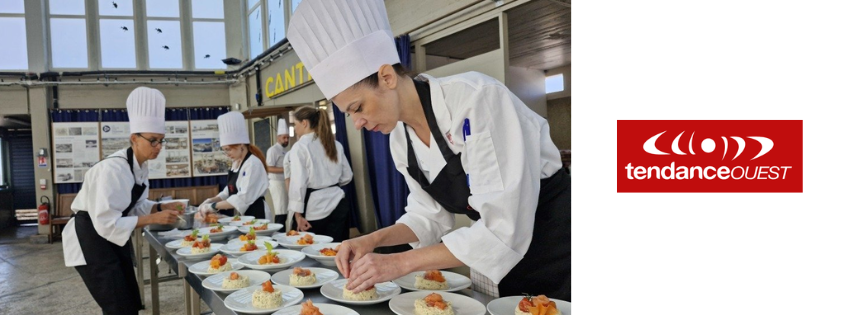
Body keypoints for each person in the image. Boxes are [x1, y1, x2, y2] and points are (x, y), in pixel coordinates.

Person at [288, 0, 570, 300]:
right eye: (349, 115)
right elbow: (429, 215)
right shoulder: (399, 139)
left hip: (558, 245)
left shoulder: (475, 101)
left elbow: (503, 228)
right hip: (504, 261)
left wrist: (397, 263)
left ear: (387, 77)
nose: (357, 123)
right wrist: (372, 240)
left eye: (358, 108)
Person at [62, 87, 184, 314]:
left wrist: (159, 207)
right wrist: (152, 217)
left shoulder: (139, 166)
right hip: (91, 238)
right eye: (153, 141)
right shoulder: (113, 169)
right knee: (117, 306)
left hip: (110, 238)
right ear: (134, 138)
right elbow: (106, 222)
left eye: (161, 141)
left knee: (128, 299)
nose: (158, 147)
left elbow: (134, 206)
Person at [287, 106, 353, 242]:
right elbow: (347, 176)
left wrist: (297, 216)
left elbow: (298, 183)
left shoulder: (300, 147)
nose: (295, 128)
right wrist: (330, 184)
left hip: (315, 209)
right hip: (339, 203)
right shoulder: (335, 144)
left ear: (304, 123)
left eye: (295, 124)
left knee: (312, 251)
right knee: (337, 249)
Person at [198, 112, 272, 220]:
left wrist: (213, 207)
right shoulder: (236, 163)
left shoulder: (252, 164)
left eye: (228, 149)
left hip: (257, 214)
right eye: (224, 151)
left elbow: (243, 197)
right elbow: (229, 190)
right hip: (244, 216)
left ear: (241, 145)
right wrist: (212, 200)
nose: (227, 154)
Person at [266, 119, 290, 228]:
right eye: (284, 138)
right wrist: (287, 169)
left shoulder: (285, 150)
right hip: (276, 183)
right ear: (278, 137)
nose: (286, 140)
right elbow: (268, 168)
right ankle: (278, 236)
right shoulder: (273, 150)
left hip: (284, 182)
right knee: (280, 212)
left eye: (287, 138)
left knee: (285, 211)